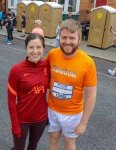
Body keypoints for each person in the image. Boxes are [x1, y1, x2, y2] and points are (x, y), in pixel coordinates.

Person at [46, 19, 97, 150]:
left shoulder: (88, 63)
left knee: (69, 142)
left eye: (72, 38)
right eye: (64, 37)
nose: (67, 41)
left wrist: (83, 123)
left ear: (79, 39)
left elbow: (91, 96)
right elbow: (43, 77)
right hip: (52, 110)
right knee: (54, 138)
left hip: (72, 115)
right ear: (59, 37)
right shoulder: (52, 55)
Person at [8, 33, 50, 150]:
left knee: (33, 146)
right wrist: (15, 124)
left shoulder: (47, 66)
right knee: (18, 148)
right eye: (31, 47)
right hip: (22, 120)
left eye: (38, 47)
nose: (35, 51)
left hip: (41, 119)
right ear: (26, 48)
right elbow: (11, 101)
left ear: (43, 49)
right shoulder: (16, 70)